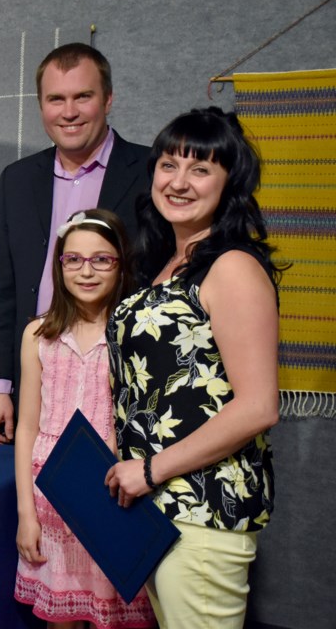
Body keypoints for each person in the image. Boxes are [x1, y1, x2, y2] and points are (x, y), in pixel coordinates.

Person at [104, 107, 282, 628]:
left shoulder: (232, 266)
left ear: (229, 185)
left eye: (200, 169)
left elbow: (258, 407)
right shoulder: (167, 263)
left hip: (204, 511)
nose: (178, 181)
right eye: (169, 165)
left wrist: (152, 469)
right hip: (159, 511)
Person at [0, 43, 150, 444]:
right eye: (56, 99)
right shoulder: (17, 179)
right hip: (33, 378)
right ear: (41, 105)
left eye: (82, 97)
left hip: (118, 377)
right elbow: (2, 290)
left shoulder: (152, 173)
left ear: (108, 99)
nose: (68, 112)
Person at [14, 209, 155, 628]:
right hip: (49, 496)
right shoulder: (38, 335)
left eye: (101, 259)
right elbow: (26, 427)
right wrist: (26, 513)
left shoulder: (133, 334)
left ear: (120, 264)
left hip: (113, 497)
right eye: (73, 259)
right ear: (59, 266)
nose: (86, 271)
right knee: (62, 617)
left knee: (115, 615)